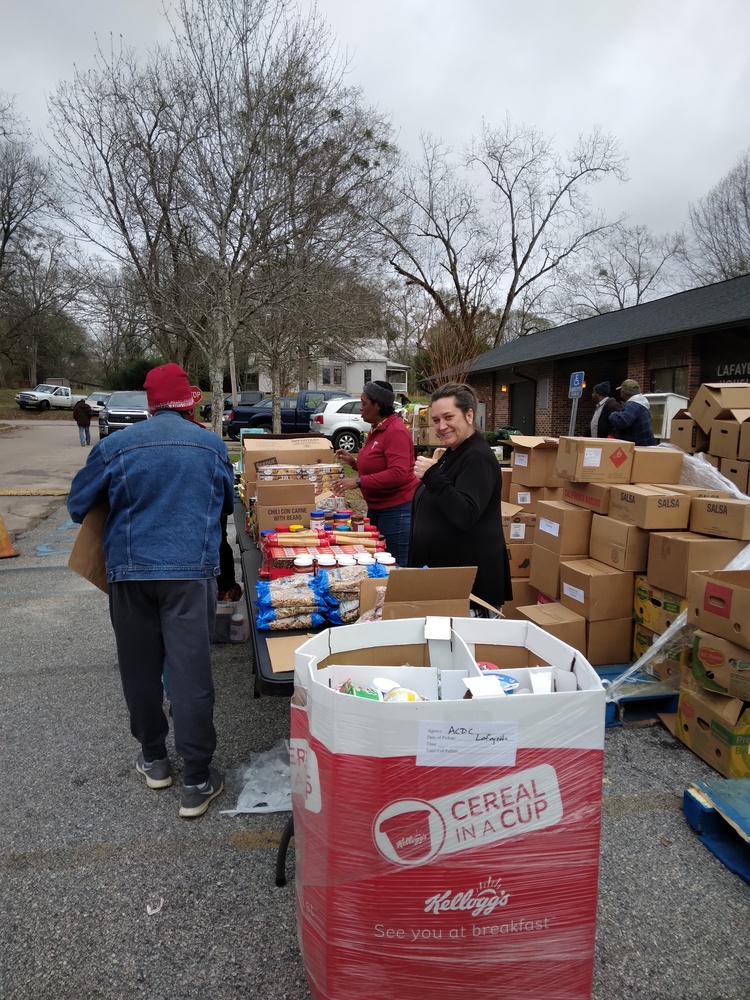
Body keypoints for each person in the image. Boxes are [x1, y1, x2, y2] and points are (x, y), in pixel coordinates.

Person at [67, 363, 235, 819]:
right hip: (189, 573)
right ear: (189, 401)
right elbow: (224, 503)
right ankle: (197, 779)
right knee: (190, 672)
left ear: (149, 402)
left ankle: (156, 760)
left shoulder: (116, 446)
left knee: (139, 670)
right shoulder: (210, 444)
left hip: (130, 572)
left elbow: (77, 505)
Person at [409, 382, 512, 614]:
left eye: (448, 417)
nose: (441, 426)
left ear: (469, 415)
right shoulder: (456, 451)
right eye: (436, 420)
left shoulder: (477, 457)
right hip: (449, 584)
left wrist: (432, 475)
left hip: (471, 591)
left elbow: (465, 514)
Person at [335, 380, 418, 565]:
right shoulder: (377, 429)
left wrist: (358, 481)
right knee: (376, 561)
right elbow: (379, 464)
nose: (360, 409)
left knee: (394, 564)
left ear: (378, 405)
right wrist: (355, 463)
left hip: (397, 510)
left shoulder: (396, 432)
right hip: (378, 508)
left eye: (364, 404)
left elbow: (398, 473)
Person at [609, 378, 656, 445]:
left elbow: (622, 422)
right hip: (645, 445)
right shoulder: (641, 403)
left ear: (623, 392)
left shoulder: (632, 405)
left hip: (638, 447)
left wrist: (613, 415)